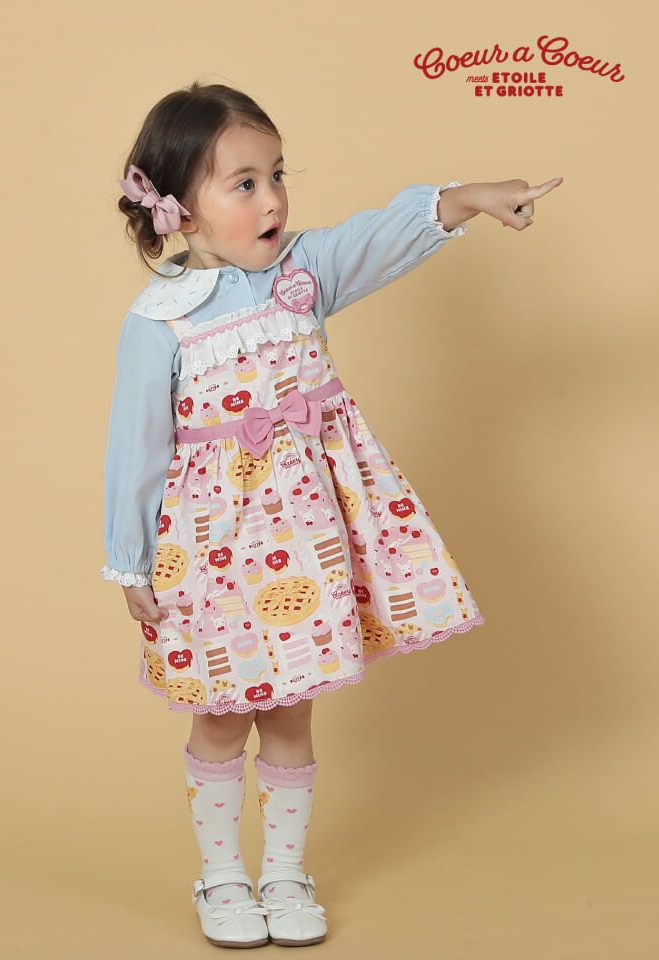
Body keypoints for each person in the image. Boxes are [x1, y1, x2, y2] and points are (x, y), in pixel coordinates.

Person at [100, 81, 563, 947]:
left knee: (292, 710)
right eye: (244, 183)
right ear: (180, 210)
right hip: (212, 551)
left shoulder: (303, 274)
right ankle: (222, 877)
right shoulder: (159, 321)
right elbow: (137, 446)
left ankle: (284, 872)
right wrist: (128, 560)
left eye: (277, 174)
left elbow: (381, 235)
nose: (272, 198)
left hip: (305, 543)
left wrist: (471, 198)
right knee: (223, 712)